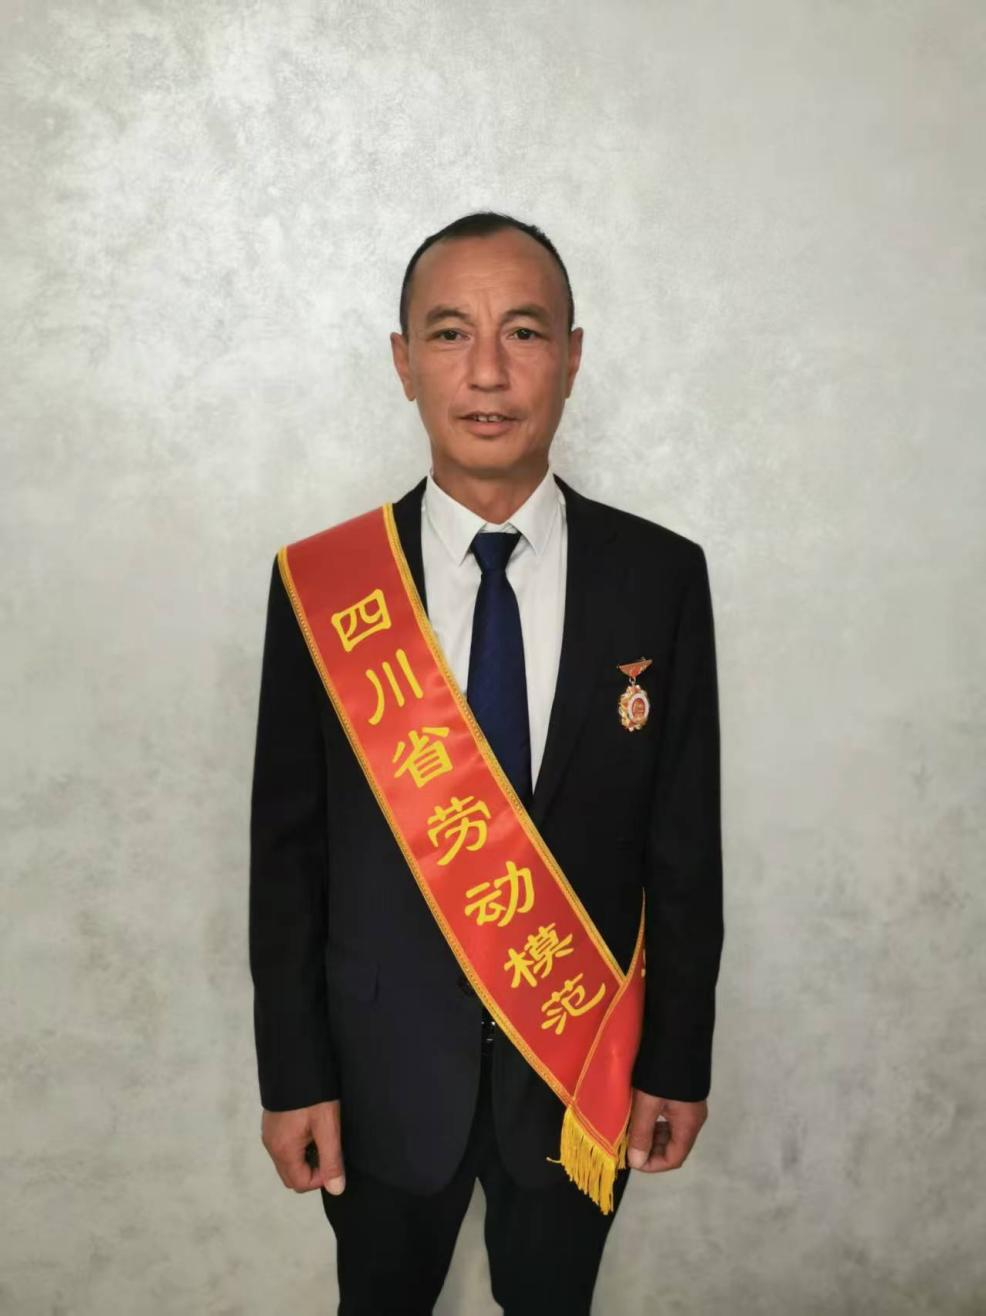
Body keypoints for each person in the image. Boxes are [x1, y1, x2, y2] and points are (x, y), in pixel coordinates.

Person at [248, 211, 724, 1315]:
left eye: (524, 331)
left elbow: (684, 846)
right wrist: (293, 1073)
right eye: (450, 332)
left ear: (572, 354)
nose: (489, 372)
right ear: (403, 360)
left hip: (579, 1066)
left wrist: (678, 1059)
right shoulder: (325, 586)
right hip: (375, 1074)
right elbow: (287, 858)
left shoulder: (659, 576)